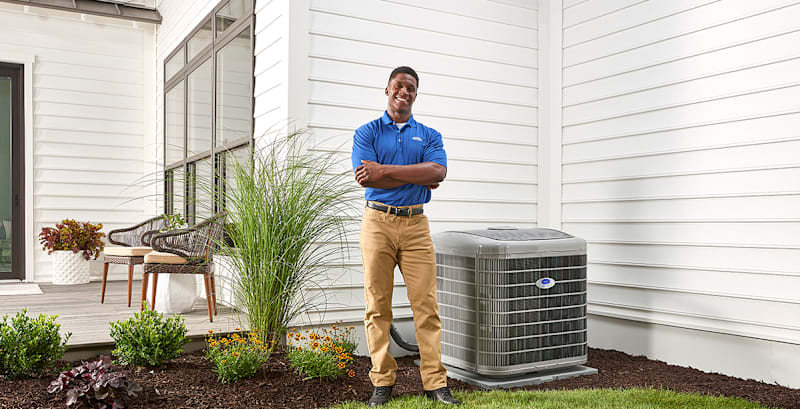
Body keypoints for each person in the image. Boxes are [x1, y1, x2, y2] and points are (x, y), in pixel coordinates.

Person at [352, 66, 460, 407]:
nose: (405, 91)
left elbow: (438, 170)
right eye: (399, 85)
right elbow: (368, 180)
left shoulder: (429, 134)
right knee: (377, 306)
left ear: (416, 93)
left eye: (411, 87)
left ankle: (435, 383)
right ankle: (382, 382)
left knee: (426, 307)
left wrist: (384, 169)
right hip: (377, 223)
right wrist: (415, 175)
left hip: (416, 226)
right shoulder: (366, 132)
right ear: (387, 89)